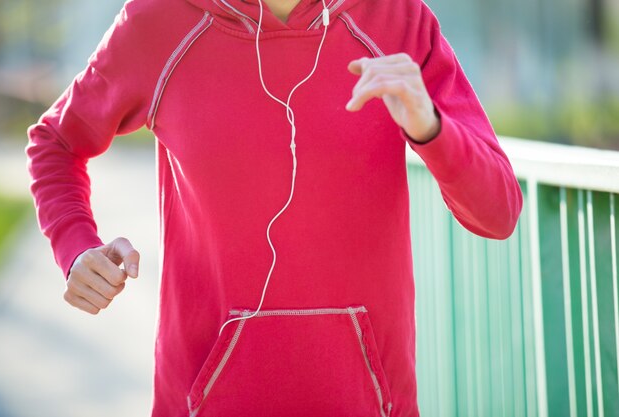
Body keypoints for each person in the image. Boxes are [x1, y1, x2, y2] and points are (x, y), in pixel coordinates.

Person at [26, 0, 523, 415]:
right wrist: (76, 245)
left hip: (371, 404)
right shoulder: (158, 20)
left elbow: (498, 212)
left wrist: (430, 126)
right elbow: (56, 141)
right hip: (203, 402)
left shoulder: (397, 19)